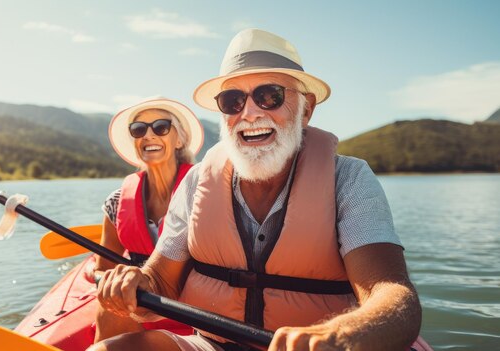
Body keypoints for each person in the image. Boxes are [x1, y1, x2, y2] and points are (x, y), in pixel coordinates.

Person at [91, 29, 433, 351]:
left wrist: (340, 335)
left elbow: (391, 294)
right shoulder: (196, 181)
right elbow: (161, 281)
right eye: (232, 100)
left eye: (270, 96)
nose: (250, 113)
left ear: (306, 109)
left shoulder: (348, 179)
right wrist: (137, 281)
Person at [92, 97, 204, 342]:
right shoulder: (116, 201)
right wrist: (118, 283)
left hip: (197, 310)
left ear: (180, 139)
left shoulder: (207, 192)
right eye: (139, 129)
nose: (149, 135)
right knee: (108, 310)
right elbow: (102, 269)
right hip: (141, 304)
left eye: (161, 127)